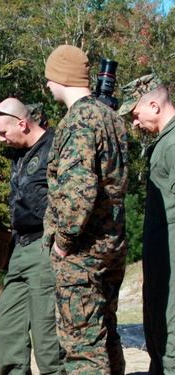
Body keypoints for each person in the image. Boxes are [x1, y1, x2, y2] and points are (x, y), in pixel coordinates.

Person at [42, 45, 128, 374]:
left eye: (48, 77)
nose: (47, 85)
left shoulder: (80, 120)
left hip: (83, 254)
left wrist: (63, 242)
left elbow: (78, 190)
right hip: (111, 246)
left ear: (59, 76)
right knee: (105, 337)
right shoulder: (111, 118)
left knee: (81, 347)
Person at [0, 98, 62, 375]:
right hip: (19, 248)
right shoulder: (20, 153)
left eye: (3, 132)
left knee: (47, 333)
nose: (0, 139)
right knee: (7, 329)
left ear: (22, 123)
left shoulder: (56, 148)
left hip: (46, 246)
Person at [118, 73, 175, 375]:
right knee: (158, 332)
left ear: (154, 105)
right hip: (162, 259)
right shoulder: (164, 142)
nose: (135, 123)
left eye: (136, 114)